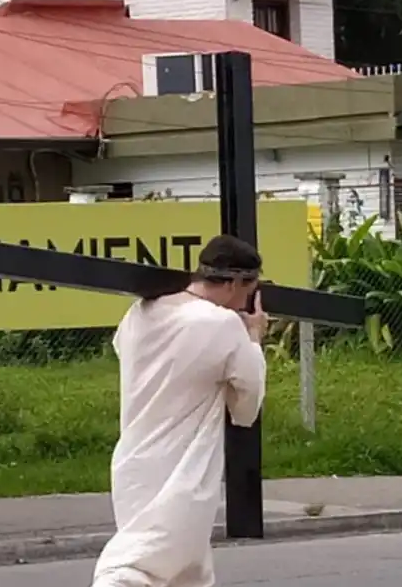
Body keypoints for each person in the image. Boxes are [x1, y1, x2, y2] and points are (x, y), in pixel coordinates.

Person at [91, 234, 269, 587]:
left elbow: (122, 349)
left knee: (187, 569)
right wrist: (253, 339)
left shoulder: (142, 312)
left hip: (134, 460)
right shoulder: (222, 324)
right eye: (250, 290)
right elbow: (247, 404)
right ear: (235, 284)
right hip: (183, 465)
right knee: (137, 565)